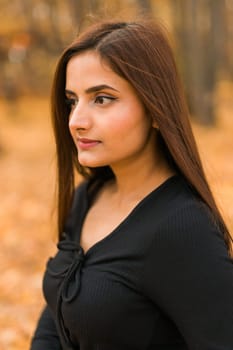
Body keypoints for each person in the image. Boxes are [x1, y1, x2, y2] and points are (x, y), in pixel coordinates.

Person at [30, 18, 233, 350]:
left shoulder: (183, 228)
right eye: (72, 101)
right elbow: (57, 313)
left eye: (102, 99)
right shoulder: (89, 197)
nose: (77, 121)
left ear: (155, 109)